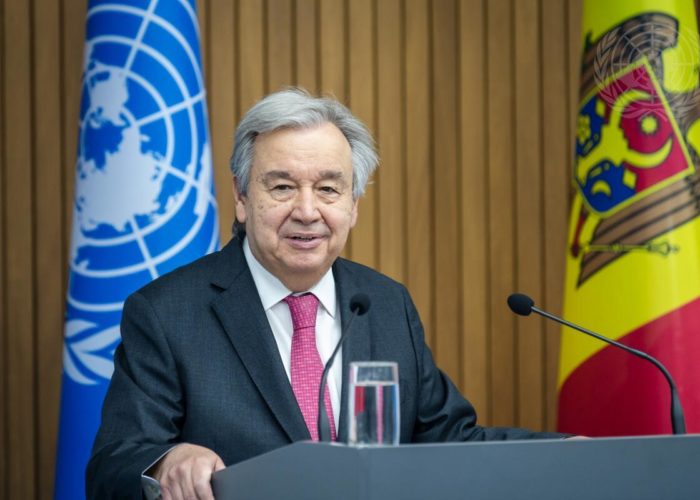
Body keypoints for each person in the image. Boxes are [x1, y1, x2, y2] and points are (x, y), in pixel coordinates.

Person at [86, 88, 567, 499]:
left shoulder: (384, 303)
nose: (307, 211)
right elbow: (114, 464)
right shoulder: (168, 312)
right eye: (281, 187)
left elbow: (446, 441)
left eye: (329, 189)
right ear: (240, 195)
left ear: (353, 204)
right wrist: (168, 460)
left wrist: (571, 452)